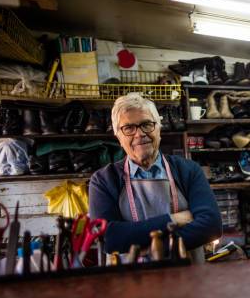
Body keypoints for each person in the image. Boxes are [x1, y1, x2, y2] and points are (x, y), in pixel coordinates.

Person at [89, 93, 222, 254]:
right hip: (130, 277)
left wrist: (147, 247)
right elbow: (109, 239)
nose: (139, 134)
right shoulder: (103, 180)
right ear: (118, 136)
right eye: (128, 128)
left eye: (146, 124)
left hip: (189, 275)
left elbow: (211, 226)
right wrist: (175, 219)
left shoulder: (188, 170)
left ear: (159, 128)